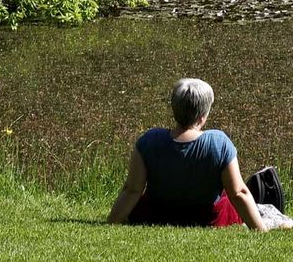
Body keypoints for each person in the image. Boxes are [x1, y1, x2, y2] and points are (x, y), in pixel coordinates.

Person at [108, 78, 266, 231]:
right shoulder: (219, 142)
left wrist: (112, 222)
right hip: (206, 219)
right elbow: (238, 192)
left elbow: (132, 189)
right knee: (227, 200)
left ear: (174, 109)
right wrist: (260, 230)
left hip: (158, 216)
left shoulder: (149, 140)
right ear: (202, 116)